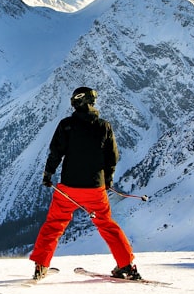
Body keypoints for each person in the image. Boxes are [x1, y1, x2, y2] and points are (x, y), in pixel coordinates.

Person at [29, 86, 141, 281]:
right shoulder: (103, 126)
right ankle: (126, 266)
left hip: (68, 188)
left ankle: (41, 265)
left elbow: (56, 152)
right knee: (106, 224)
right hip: (95, 189)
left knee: (54, 225)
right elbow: (112, 157)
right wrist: (107, 180)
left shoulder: (66, 125)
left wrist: (48, 174)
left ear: (76, 102)